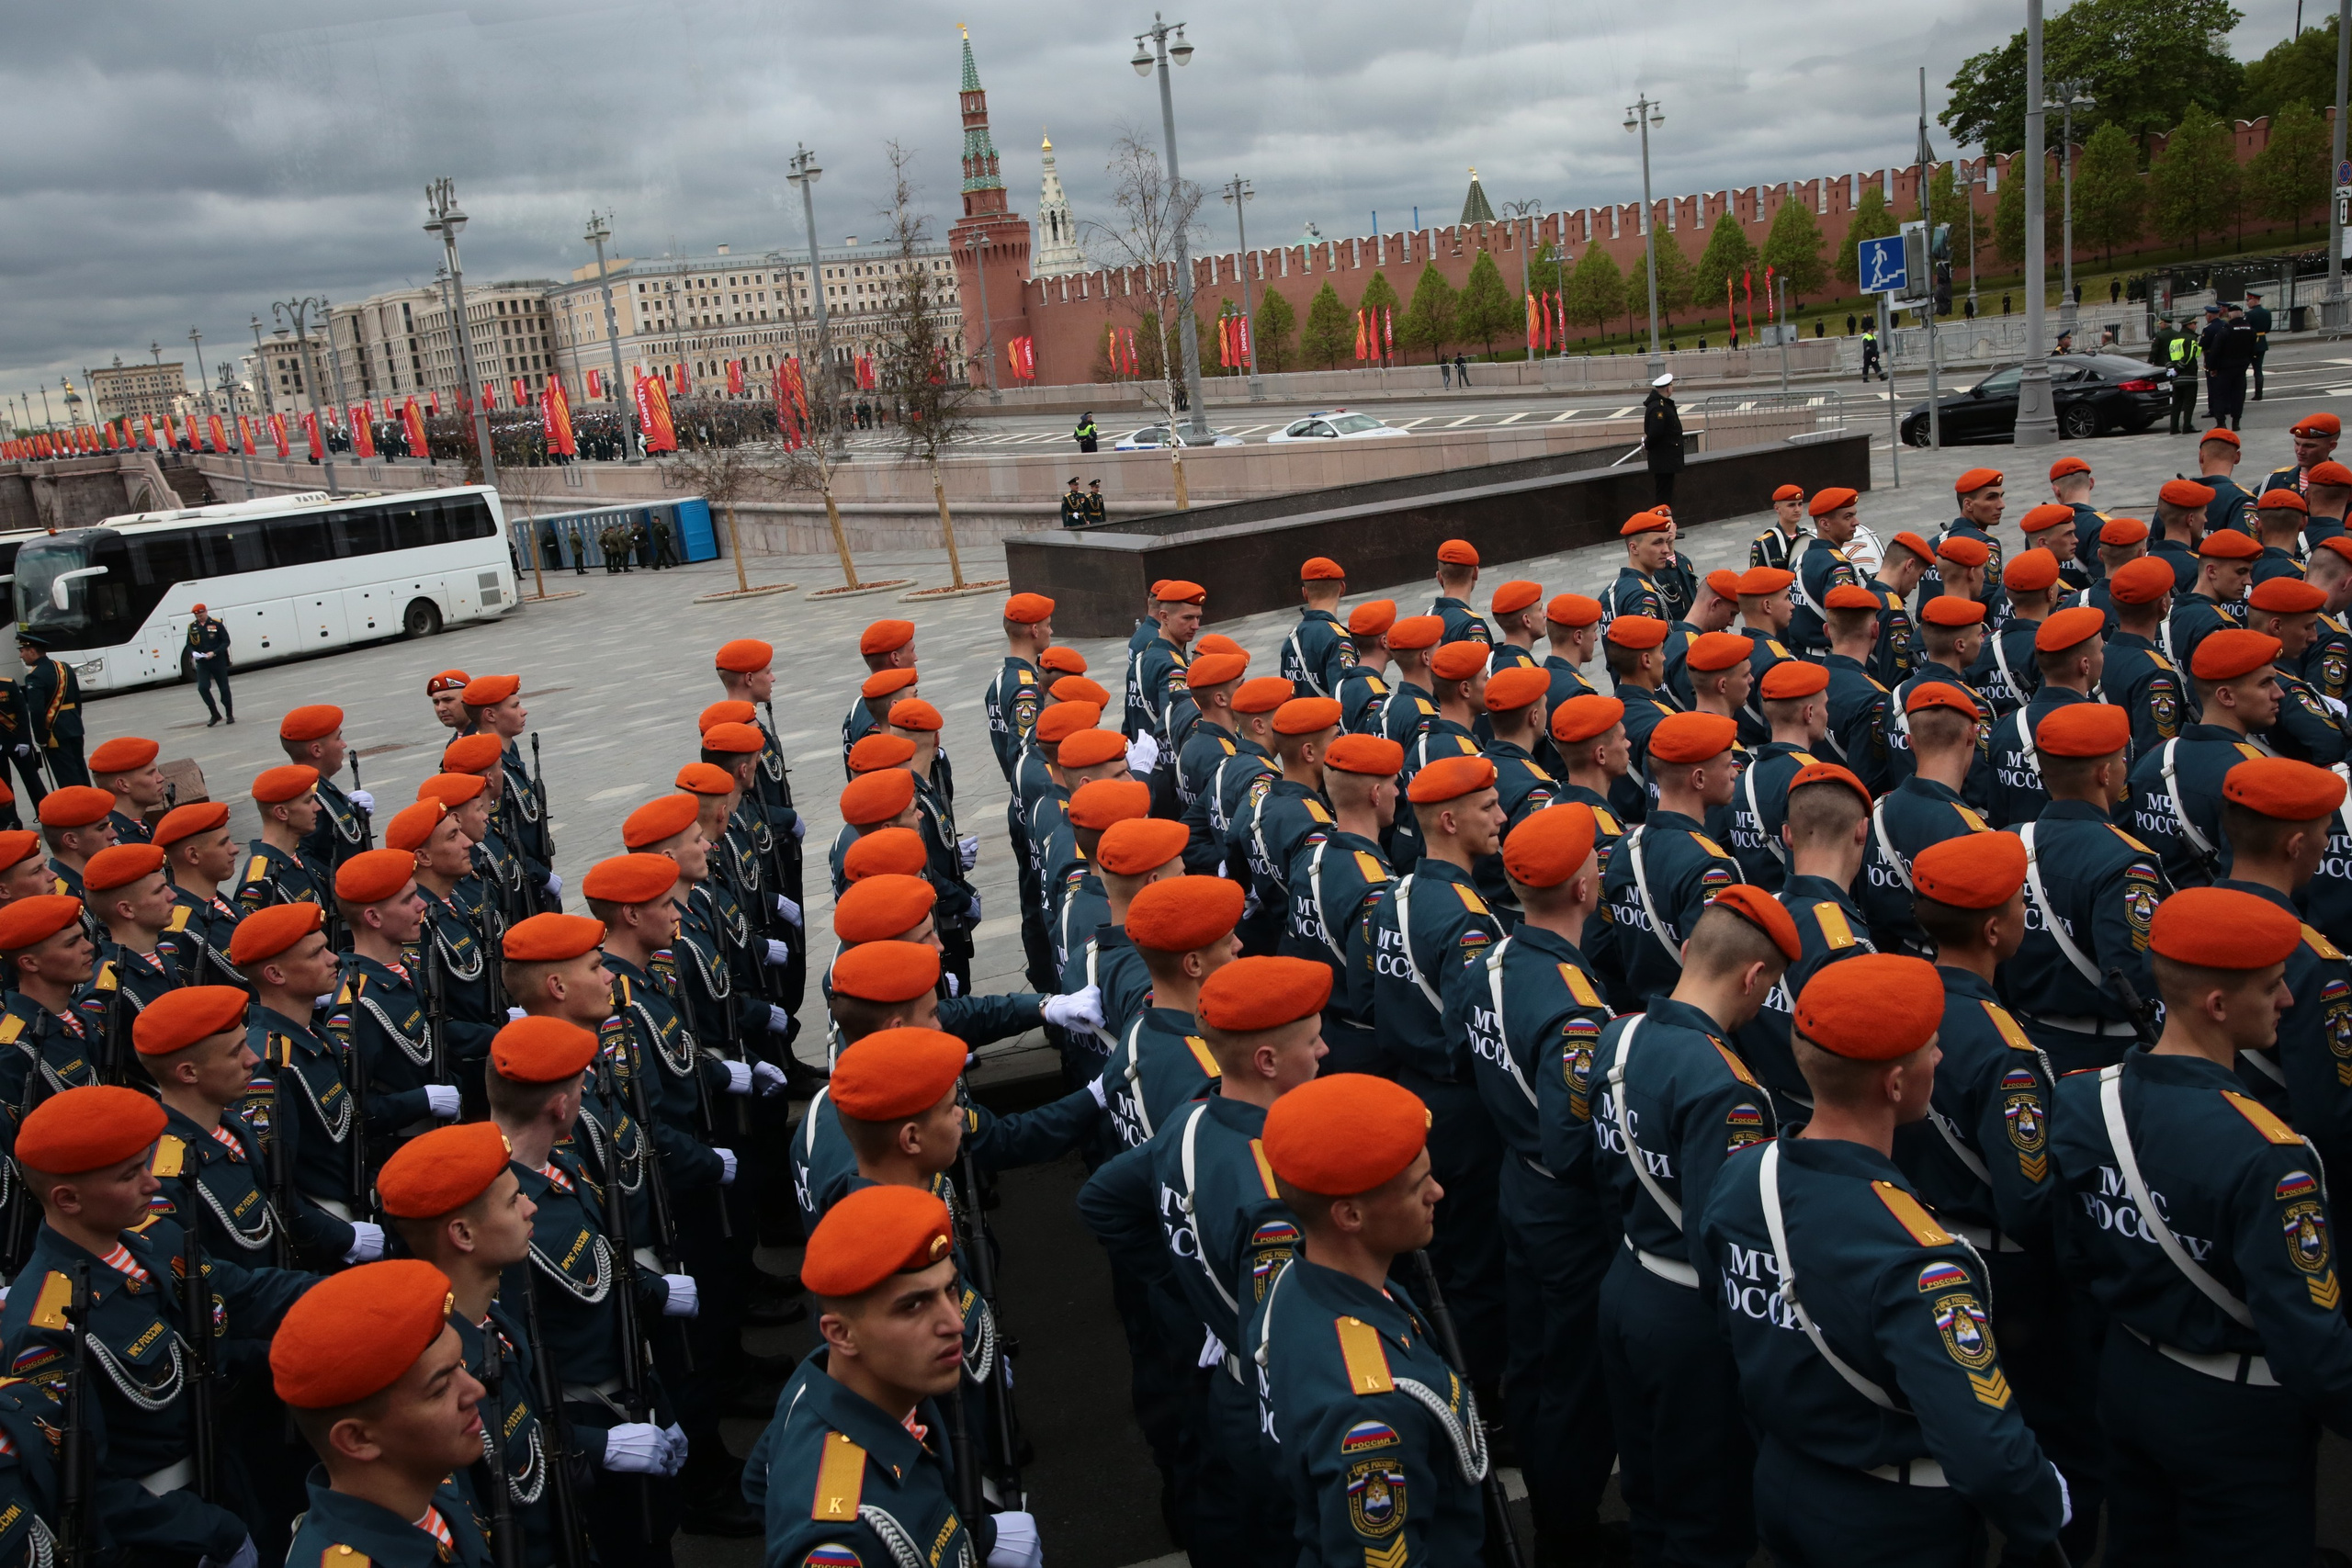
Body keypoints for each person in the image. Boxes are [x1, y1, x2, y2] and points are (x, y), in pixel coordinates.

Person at [1700, 956, 2069, 1568]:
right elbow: (1986, 1453)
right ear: (1895, 1084)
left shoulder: (1743, 1175)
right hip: (1889, 1521)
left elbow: (1730, 1324)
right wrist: (2041, 1509)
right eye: (1930, 1049)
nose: (1941, 1059)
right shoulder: (1920, 1258)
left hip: (1786, 1476)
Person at [2050, 886, 2352, 1567]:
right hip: (2236, 1415)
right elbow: (2311, 1344)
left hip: (2129, 1375)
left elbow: (2073, 1252)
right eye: (2272, 985)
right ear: (2218, 1005)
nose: (2288, 1000)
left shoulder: (2079, 1099)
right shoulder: (2271, 1157)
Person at [1078, 955, 1328, 1567]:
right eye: (1313, 1038)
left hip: (1227, 1381)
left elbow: (1104, 1199)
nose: (1325, 1049)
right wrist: (1211, 1303)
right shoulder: (1275, 1184)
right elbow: (1286, 1337)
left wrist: (1195, 1293)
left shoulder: (1193, 1118)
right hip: (1276, 1408)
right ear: (1266, 1061)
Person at [3, 1084, 317, 1567]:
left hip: (225, 1466)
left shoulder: (153, 1236)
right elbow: (86, 1484)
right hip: (164, 1530)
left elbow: (243, 1294)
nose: (153, 1183)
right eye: (130, 1175)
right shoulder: (44, 1326)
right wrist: (209, 1530)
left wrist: (348, 1296)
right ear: (68, 1199)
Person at [1596, 885, 1797, 1568]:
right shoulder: (1728, 1087)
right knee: (1706, 1519)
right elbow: (1725, 1236)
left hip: (1626, 1277)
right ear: (1754, 977)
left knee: (1650, 1494)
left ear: (1687, 950)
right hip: (1687, 1315)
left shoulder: (1616, 1035)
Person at [1253, 1073, 1488, 1568]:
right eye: (1417, 1186)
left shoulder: (1300, 1279)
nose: (1438, 1193)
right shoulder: (1372, 1413)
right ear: (1350, 1216)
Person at [747, 1184, 1041, 1568]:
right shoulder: (840, 1537)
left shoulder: (821, 1374)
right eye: (913, 1306)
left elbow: (757, 1482)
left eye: (950, 1289)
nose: (954, 1323)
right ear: (841, 1334)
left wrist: (981, 1536)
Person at [273, 1258, 497, 1568]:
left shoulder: (429, 1486)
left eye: (459, 1368)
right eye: (441, 1388)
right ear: (358, 1438)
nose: (476, 1391)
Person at [16, 632, 85, 787]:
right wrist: (74, 719)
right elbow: (77, 699)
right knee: (80, 768)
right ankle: (93, 803)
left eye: (22, 651)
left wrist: (41, 737)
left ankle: (78, 808)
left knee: (66, 776)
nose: (21, 656)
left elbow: (36, 711)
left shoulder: (34, 676)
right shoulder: (64, 667)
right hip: (74, 726)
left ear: (32, 651)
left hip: (54, 732)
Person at [1284, 557, 1351, 698]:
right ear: (1342, 588)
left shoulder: (1291, 640)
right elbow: (1344, 696)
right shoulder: (1338, 640)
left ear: (1305, 593)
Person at [87, 736, 164, 847]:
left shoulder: (137, 824)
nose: (160, 778)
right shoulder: (112, 838)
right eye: (150, 773)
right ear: (123, 785)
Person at [185, 604, 233, 725]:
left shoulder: (216, 624)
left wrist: (215, 652)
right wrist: (193, 652)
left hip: (217, 660)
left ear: (206, 612)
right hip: (202, 662)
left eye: (201, 615)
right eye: (197, 616)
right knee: (202, 687)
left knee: (224, 688)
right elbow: (189, 644)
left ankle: (229, 714)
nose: (199, 618)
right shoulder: (192, 627)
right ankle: (214, 713)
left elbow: (226, 641)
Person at [1643, 373, 1683, 508]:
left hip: (1666, 458)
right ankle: (1663, 526)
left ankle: (1666, 525)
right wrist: (1647, 444)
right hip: (1663, 459)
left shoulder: (1662, 405)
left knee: (1666, 494)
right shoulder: (1659, 407)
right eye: (1671, 385)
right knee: (1663, 496)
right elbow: (1655, 433)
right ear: (1667, 389)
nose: (1672, 388)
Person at [2245, 288, 2273, 400]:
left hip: (2250, 344)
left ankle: (2241, 394)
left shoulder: (2250, 314)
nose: (2247, 303)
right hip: (2262, 342)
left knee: (2242, 370)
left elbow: (2246, 329)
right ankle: (2259, 394)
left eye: (2248, 300)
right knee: (2258, 370)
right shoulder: (2267, 312)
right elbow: (2268, 329)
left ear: (2254, 300)